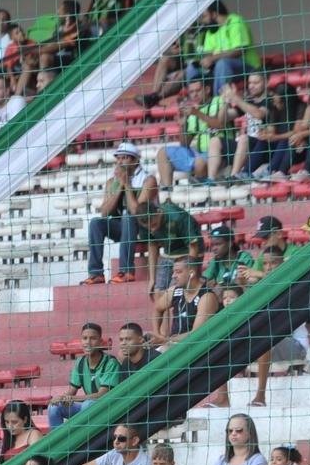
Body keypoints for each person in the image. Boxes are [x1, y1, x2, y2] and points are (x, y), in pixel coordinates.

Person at [83, 142, 157, 285]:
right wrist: (119, 187)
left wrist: (127, 185)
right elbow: (104, 213)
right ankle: (96, 273)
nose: (120, 161)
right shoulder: (112, 182)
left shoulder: (148, 180)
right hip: (123, 228)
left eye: (125, 158)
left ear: (135, 160)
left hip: (144, 227)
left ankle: (126, 271)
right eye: (118, 158)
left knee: (128, 217)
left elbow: (137, 212)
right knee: (95, 223)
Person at [47, 323, 122, 427]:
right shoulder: (80, 362)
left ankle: (82, 440)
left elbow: (101, 395)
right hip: (86, 408)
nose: (88, 342)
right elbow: (71, 392)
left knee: (88, 404)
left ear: (100, 342)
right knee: (54, 407)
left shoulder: (110, 363)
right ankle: (57, 441)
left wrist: (72, 399)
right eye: (85, 338)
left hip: (108, 409)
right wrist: (62, 398)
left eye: (93, 338)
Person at [187, 0, 259, 94]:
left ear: (214, 14)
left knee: (223, 63)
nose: (203, 21)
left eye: (204, 16)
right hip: (220, 68)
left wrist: (212, 58)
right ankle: (197, 101)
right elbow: (209, 54)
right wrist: (203, 61)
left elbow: (239, 50)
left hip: (247, 67)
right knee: (192, 68)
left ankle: (219, 102)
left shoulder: (235, 21)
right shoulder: (211, 30)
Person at [133, 198, 200, 297]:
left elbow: (193, 247)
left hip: (187, 254)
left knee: (174, 291)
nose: (153, 229)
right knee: (158, 291)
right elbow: (152, 246)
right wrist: (152, 278)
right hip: (168, 254)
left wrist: (188, 271)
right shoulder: (144, 223)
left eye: (154, 224)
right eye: (149, 227)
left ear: (158, 212)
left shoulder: (177, 217)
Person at [152, 255, 219, 346]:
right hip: (173, 344)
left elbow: (197, 334)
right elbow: (157, 309)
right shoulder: (174, 291)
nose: (173, 276)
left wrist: (166, 340)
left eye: (178, 272)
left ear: (191, 273)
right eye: (173, 272)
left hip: (194, 347)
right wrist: (157, 334)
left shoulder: (206, 297)